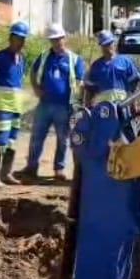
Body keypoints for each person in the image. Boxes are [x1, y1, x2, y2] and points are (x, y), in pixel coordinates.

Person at [18, 23, 86, 182]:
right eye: (53, 39)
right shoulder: (44, 57)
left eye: (58, 39)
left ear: (64, 38)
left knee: (63, 139)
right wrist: (35, 88)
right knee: (37, 136)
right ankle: (31, 167)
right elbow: (33, 73)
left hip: (64, 106)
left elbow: (80, 81)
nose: (56, 42)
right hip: (44, 105)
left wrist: (78, 104)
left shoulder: (74, 59)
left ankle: (59, 169)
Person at [0, 21, 29, 189]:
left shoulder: (21, 58)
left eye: (23, 39)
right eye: (18, 38)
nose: (21, 42)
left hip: (16, 105)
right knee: (1, 139)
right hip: (3, 105)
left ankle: (6, 173)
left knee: (12, 140)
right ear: (11, 38)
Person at [84, 29, 140, 107]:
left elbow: (134, 83)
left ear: (114, 43)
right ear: (101, 46)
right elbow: (90, 90)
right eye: (105, 45)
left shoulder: (125, 61)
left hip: (123, 105)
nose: (108, 47)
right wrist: (88, 109)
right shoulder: (96, 66)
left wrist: (134, 103)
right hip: (104, 109)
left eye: (109, 44)